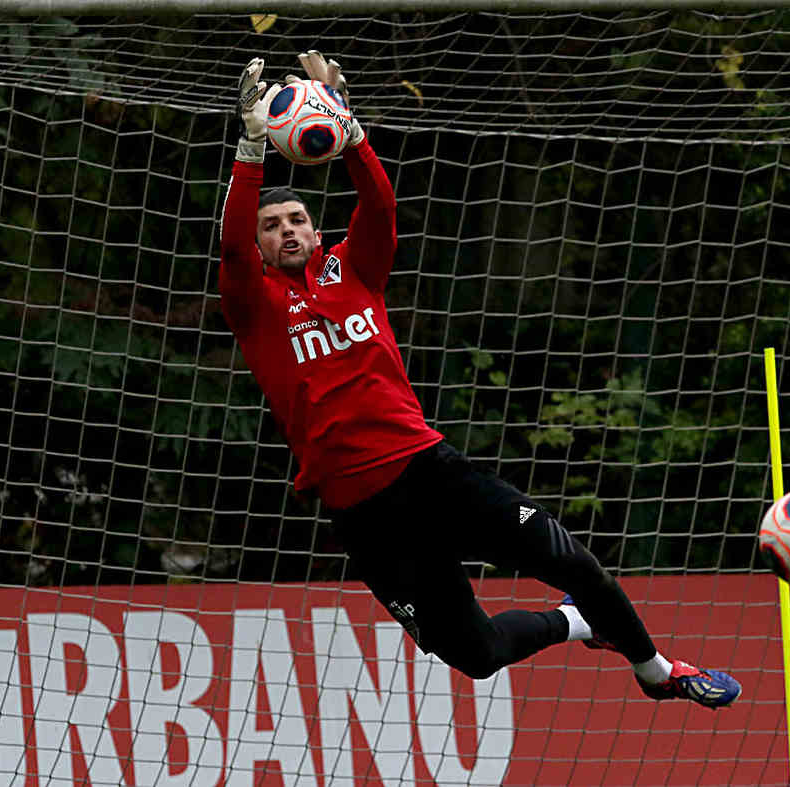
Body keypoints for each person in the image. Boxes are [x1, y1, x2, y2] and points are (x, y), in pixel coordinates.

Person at [219, 51, 740, 708]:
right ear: (262, 245)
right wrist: (251, 151)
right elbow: (232, 249)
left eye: (296, 219)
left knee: (568, 556)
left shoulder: (353, 272)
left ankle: (658, 669)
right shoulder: (254, 306)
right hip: (364, 516)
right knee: (476, 654)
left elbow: (379, 207)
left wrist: (354, 137)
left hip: (430, 471)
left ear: (315, 229)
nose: (286, 230)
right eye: (272, 225)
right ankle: (578, 621)